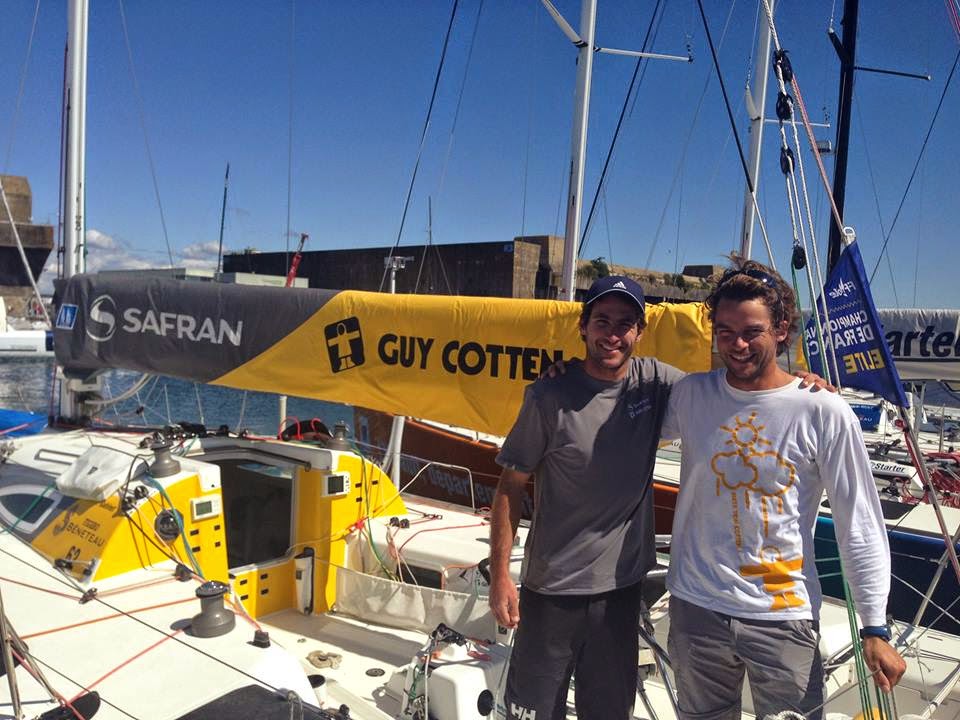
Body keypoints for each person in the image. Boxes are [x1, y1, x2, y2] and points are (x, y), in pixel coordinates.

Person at [660, 260, 906, 720]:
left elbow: (861, 523)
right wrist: (565, 376)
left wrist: (875, 626)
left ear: (781, 330)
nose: (737, 344)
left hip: (782, 615)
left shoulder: (824, 411)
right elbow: (617, 408)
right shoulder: (690, 395)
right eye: (725, 330)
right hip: (696, 607)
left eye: (752, 331)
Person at [488, 275, 683, 720]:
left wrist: (799, 382)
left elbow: (728, 392)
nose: (612, 334)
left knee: (610, 711)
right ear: (583, 325)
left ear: (640, 330)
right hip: (551, 590)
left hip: (622, 591)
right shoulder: (548, 395)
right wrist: (501, 575)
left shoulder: (654, 382)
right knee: (533, 711)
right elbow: (510, 486)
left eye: (624, 323)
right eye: (602, 321)